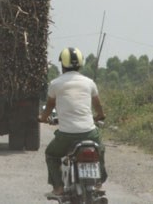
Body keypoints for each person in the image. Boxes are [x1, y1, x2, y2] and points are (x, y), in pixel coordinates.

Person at [38, 47, 107, 196]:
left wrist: (43, 118)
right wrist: (100, 115)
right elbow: (98, 105)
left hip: (66, 136)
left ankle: (58, 188)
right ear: (81, 64)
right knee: (99, 150)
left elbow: (49, 106)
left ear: (62, 64)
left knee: (51, 154)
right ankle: (99, 183)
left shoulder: (55, 84)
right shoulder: (89, 83)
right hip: (90, 132)